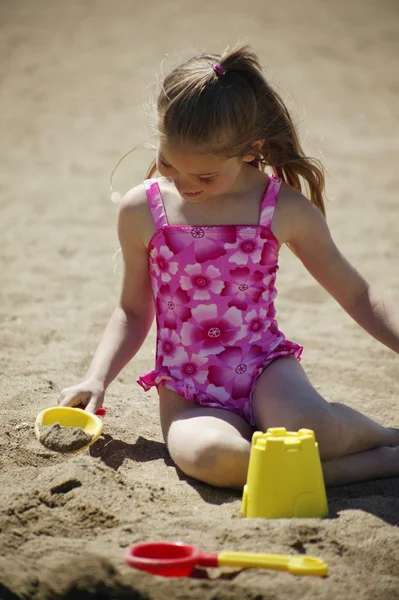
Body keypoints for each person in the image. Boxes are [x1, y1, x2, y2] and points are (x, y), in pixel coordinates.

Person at [58, 45, 399, 489]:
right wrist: (96, 378)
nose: (183, 185)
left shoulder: (282, 209)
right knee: (212, 459)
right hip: (188, 391)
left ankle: (382, 437)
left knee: (312, 432)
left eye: (204, 176)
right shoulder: (143, 209)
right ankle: (382, 463)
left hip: (265, 370)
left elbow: (356, 294)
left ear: (249, 151)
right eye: (169, 163)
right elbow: (132, 311)